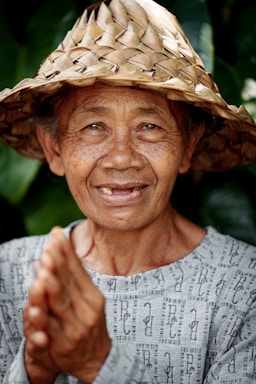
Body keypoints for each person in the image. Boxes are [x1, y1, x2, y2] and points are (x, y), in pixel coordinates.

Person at [0, 0, 256, 382]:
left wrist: (98, 363)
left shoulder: (244, 286)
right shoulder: (8, 273)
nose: (121, 158)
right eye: (93, 126)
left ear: (188, 146)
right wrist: (34, 368)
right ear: (55, 148)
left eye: (150, 126)